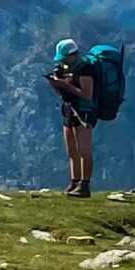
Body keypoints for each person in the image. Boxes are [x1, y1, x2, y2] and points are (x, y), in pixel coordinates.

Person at [47, 39, 97, 197]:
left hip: (84, 112)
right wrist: (57, 85)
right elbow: (65, 92)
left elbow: (87, 95)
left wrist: (67, 85)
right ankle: (74, 182)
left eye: (64, 58)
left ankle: (85, 185)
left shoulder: (86, 69)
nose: (62, 61)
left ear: (73, 55)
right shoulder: (66, 68)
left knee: (84, 149)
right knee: (72, 149)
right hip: (69, 110)